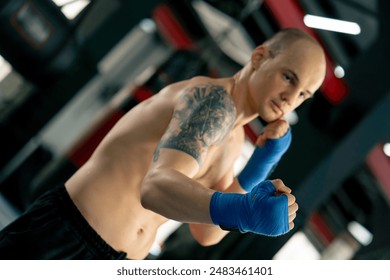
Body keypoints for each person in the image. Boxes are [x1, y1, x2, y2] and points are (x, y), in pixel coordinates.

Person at [0, 28, 326, 260]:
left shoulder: (234, 136)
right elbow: (154, 189)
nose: (290, 98)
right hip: (70, 238)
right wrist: (244, 210)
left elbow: (207, 232)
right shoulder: (213, 101)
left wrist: (261, 164)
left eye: (303, 95)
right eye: (288, 77)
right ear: (259, 58)